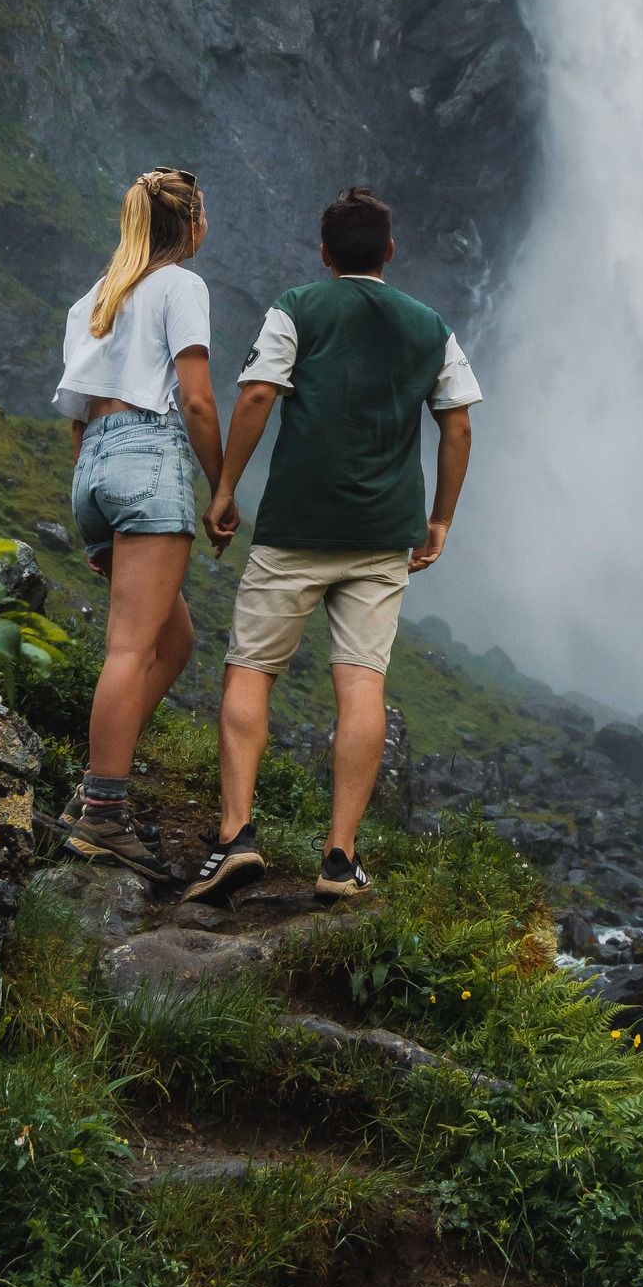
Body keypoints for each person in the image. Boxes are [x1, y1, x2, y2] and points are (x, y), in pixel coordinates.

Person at [186, 183, 478, 907]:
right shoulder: (429, 324)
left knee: (251, 670)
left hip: (295, 526)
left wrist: (224, 490)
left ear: (323, 253)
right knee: (361, 685)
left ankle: (235, 835)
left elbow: (256, 395)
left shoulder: (298, 307)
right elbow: (459, 424)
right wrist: (440, 519)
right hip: (384, 535)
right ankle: (339, 858)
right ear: (389, 250)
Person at [52, 166, 220, 883]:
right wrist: (224, 488)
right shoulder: (181, 286)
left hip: (93, 466)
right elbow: (199, 400)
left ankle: (97, 779)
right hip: (149, 455)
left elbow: (78, 415)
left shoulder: (92, 299)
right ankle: (103, 817)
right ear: (191, 225)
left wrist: (96, 507)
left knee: (172, 639)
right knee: (129, 649)